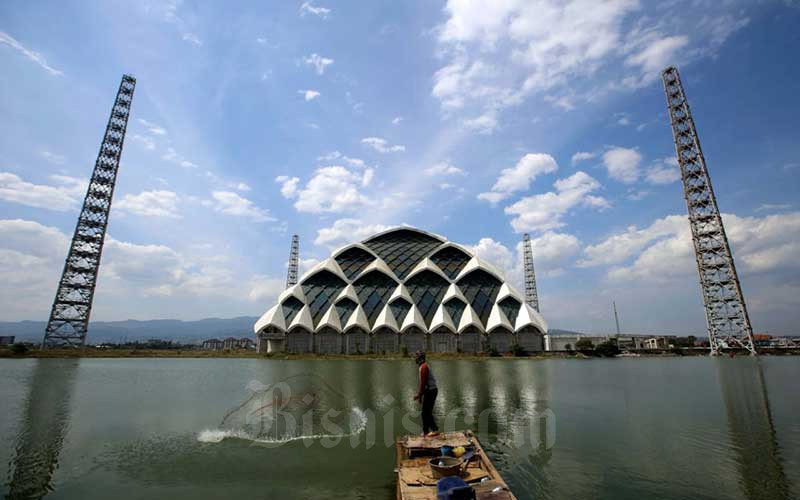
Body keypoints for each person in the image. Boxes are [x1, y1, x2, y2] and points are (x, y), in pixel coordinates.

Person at [413, 351, 439, 437]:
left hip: (431, 391)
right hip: (429, 391)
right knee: (427, 412)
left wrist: (419, 395)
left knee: (425, 412)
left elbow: (423, 383)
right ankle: (432, 430)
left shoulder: (424, 367)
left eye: (417, 357)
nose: (415, 359)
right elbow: (423, 384)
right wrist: (421, 397)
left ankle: (427, 432)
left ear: (421, 358)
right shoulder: (422, 366)